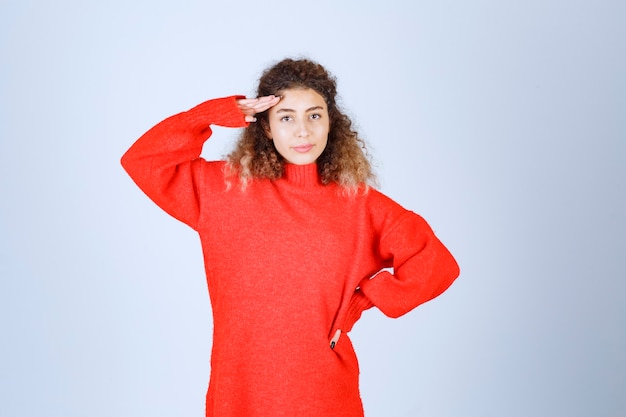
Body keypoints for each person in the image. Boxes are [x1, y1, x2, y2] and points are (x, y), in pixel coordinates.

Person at [121, 58, 460, 417]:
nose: (303, 131)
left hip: (323, 392)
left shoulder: (360, 205)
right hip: (239, 390)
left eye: (314, 115)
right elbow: (143, 161)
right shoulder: (222, 189)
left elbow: (436, 264)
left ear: (332, 122)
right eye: (286, 117)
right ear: (265, 127)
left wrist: (362, 301)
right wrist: (212, 113)